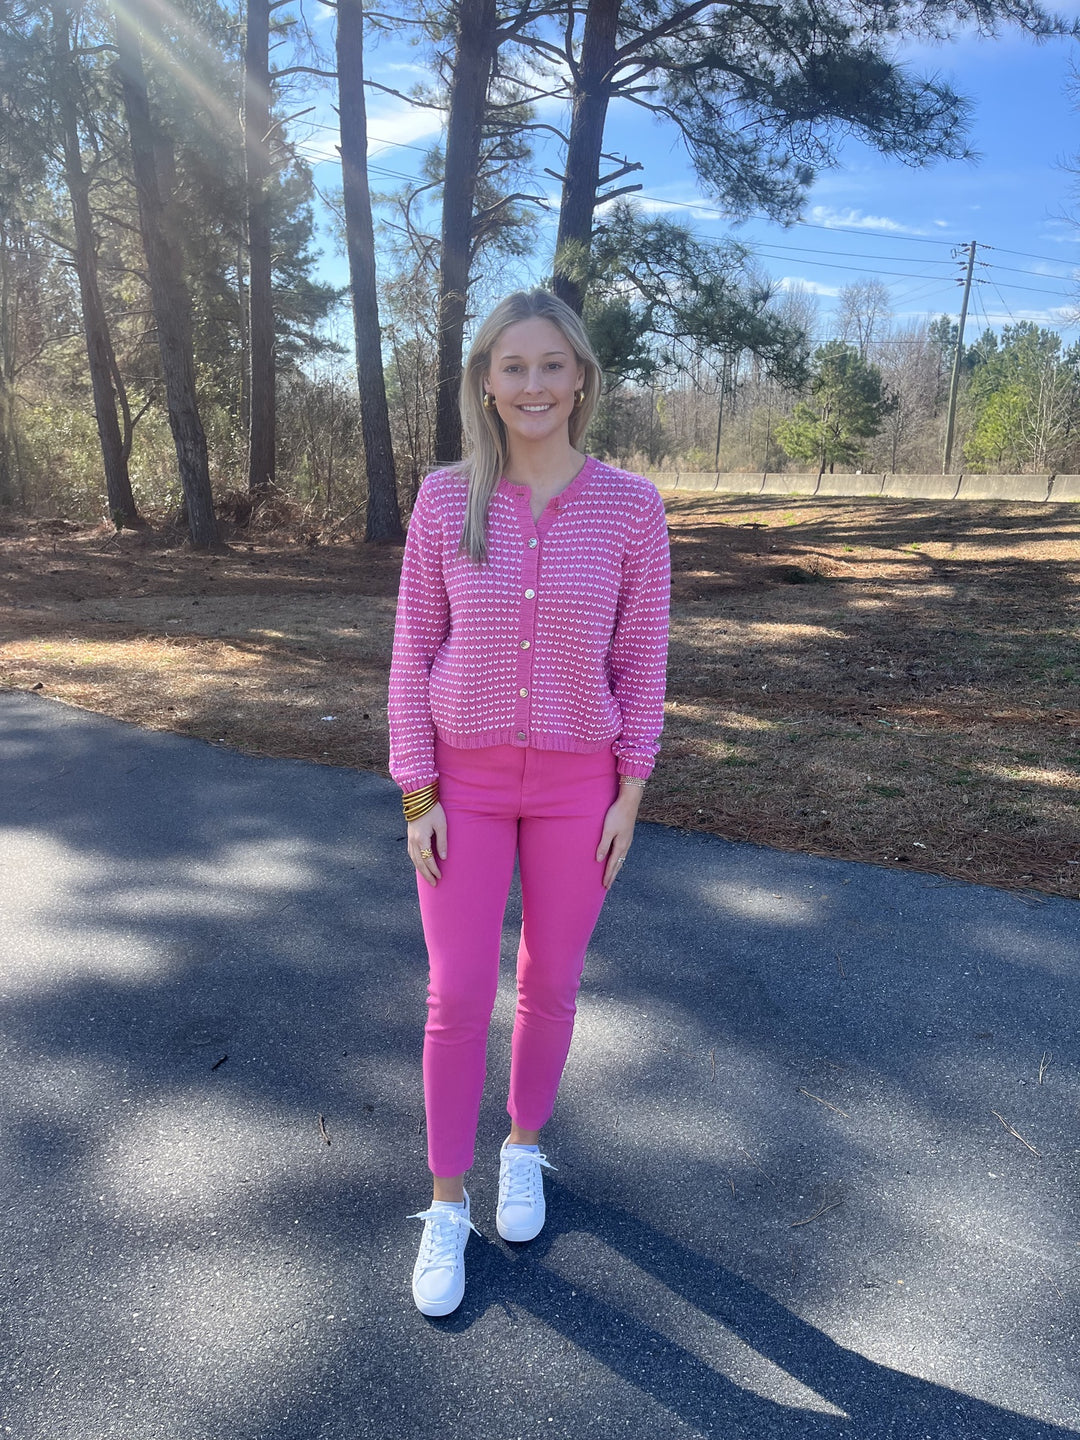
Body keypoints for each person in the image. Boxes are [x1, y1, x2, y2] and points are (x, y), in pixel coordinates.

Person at [387, 288, 670, 1317]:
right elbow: (412, 652)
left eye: (553, 365)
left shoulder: (631, 508)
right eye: (514, 367)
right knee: (458, 991)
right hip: (458, 781)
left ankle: (522, 1146)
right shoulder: (442, 498)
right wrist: (416, 789)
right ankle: (447, 1204)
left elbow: (642, 661)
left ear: (582, 377)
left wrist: (631, 790)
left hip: (576, 787)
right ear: (485, 382)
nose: (534, 385)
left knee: (551, 978)